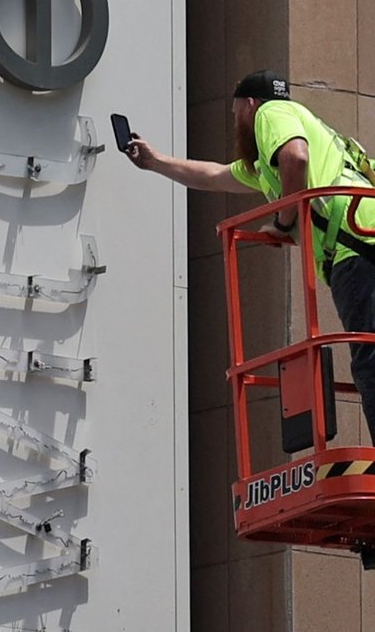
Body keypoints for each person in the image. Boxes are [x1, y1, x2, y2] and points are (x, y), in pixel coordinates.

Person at [127, 69, 375, 567]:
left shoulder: (273, 115)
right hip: (362, 239)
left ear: (246, 105)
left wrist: (284, 219)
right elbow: (215, 175)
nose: (236, 119)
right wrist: (155, 163)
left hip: (356, 248)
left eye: (235, 110)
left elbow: (296, 158)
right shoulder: (263, 159)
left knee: (369, 361)